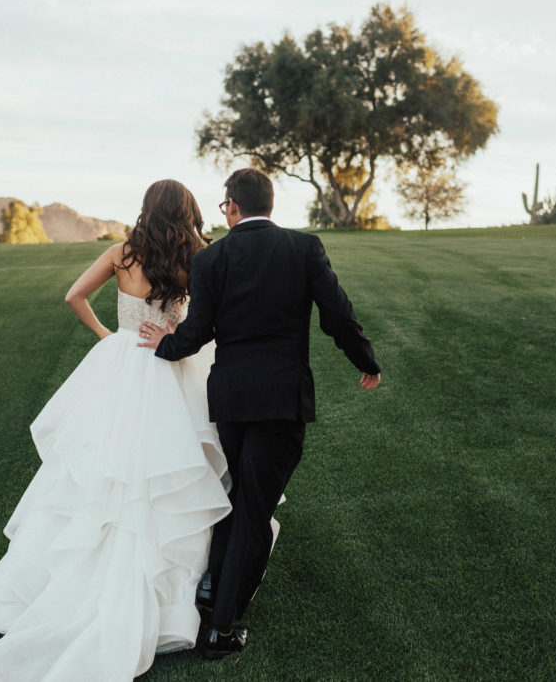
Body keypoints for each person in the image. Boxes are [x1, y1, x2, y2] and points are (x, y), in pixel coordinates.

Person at [0, 179, 232, 681]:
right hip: (171, 363)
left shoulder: (121, 252)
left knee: (104, 466)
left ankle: (66, 580)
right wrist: (177, 334)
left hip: (122, 361)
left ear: (146, 209)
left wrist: (110, 336)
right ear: (189, 211)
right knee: (169, 468)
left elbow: (74, 296)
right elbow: (211, 315)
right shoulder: (198, 256)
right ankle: (173, 596)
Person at [138, 168, 380, 659]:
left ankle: (211, 587)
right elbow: (337, 313)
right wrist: (366, 361)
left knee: (244, 495)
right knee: (253, 507)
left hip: (228, 400)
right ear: (270, 203)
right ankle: (220, 629)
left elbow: (199, 330)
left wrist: (166, 345)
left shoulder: (212, 259)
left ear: (231, 205)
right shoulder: (304, 248)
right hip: (280, 401)